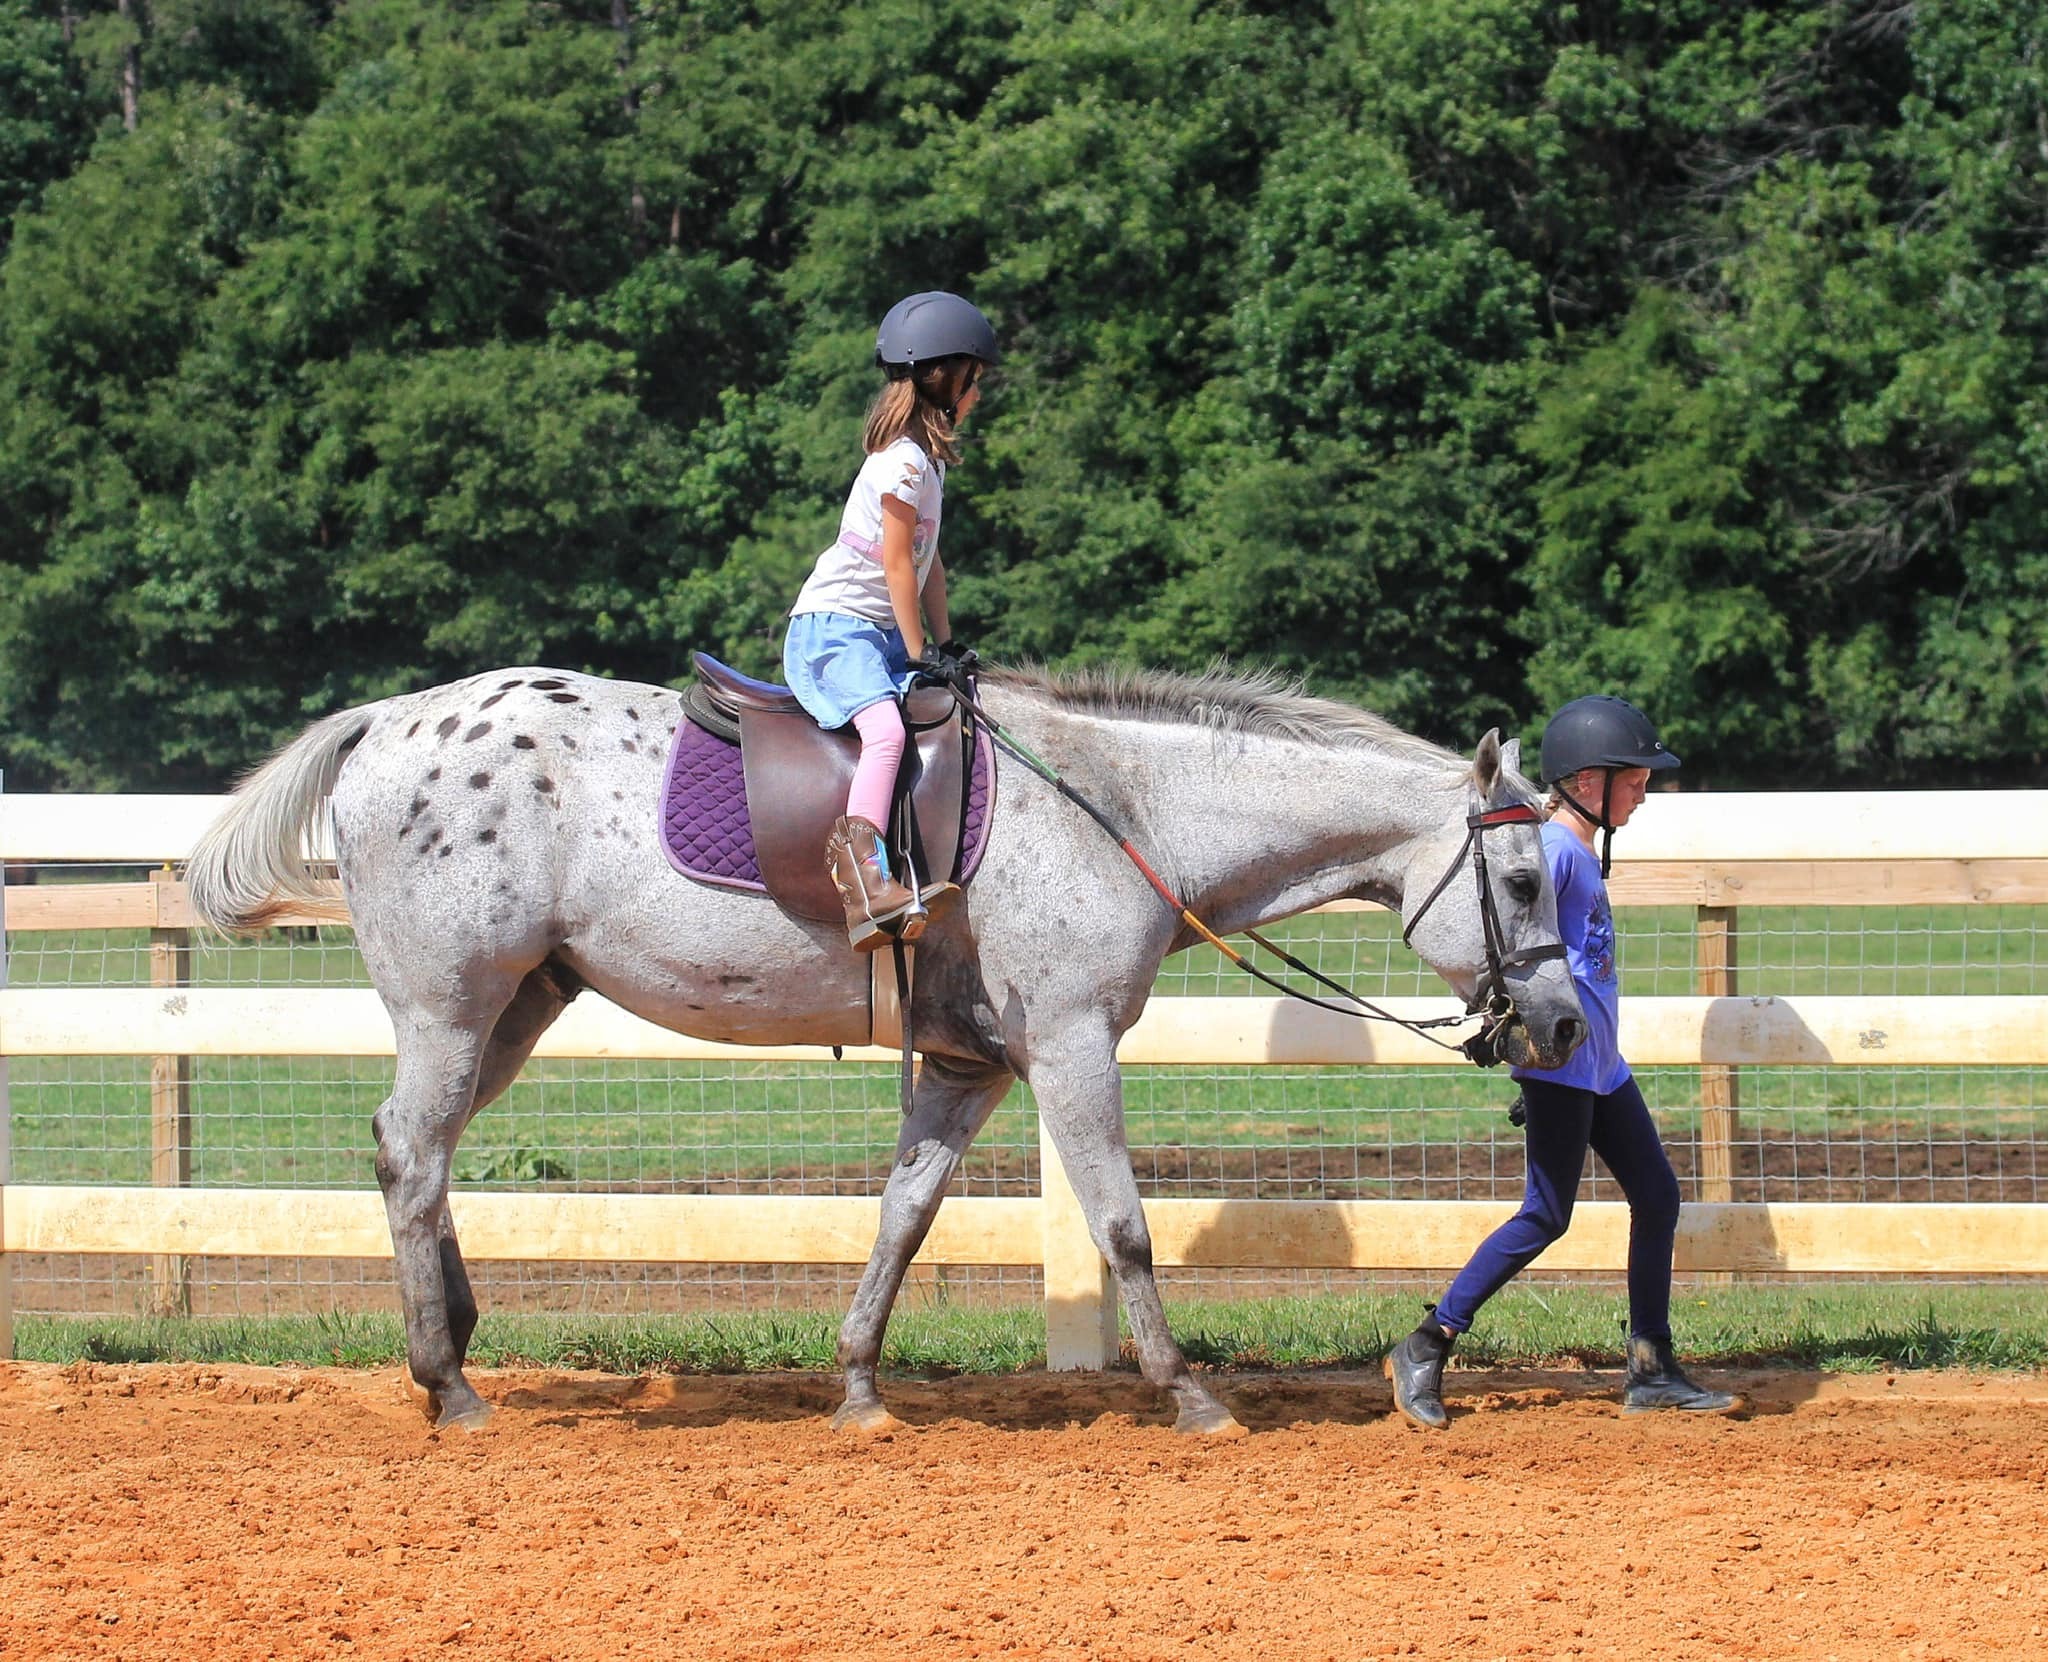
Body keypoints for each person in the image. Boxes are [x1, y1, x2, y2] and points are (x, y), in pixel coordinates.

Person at [1386, 694, 1742, 1426]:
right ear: (1587, 782)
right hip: (1564, 1066)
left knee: (1658, 1196)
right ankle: (1427, 1342)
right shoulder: (1550, 851)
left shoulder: (1576, 849)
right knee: (1546, 1216)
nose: (1645, 790)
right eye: (1634, 778)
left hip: (1602, 1066)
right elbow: (1512, 950)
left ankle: (1650, 1367)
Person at [782, 291, 998, 951]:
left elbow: (930, 568)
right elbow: (898, 566)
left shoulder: (925, 463)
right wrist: (917, 649)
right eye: (974, 382)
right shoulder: (902, 464)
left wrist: (945, 641)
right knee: (885, 735)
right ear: (946, 380)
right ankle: (863, 877)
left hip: (874, 632)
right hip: (836, 627)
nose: (978, 397)